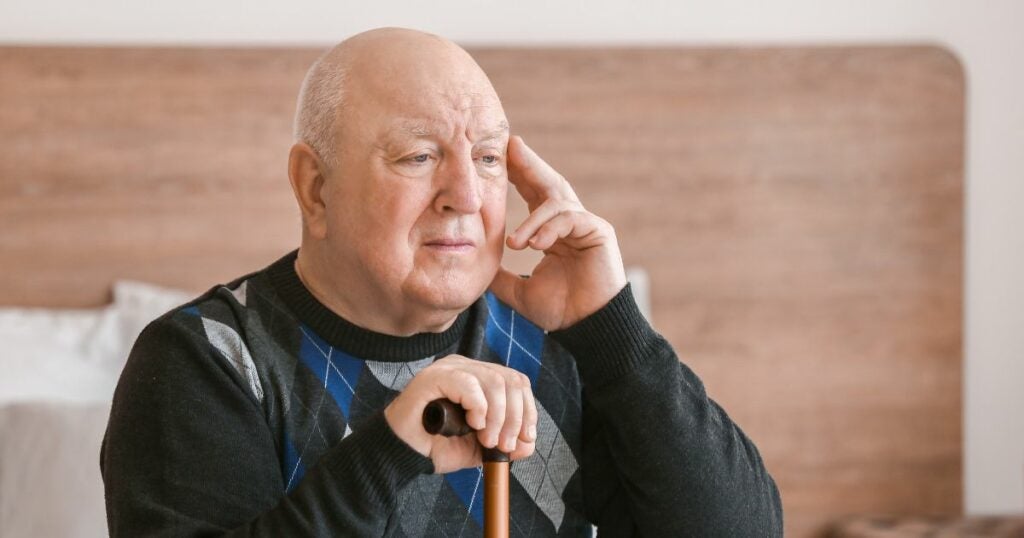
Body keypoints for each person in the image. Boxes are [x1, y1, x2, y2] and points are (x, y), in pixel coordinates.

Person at [101, 27, 783, 537]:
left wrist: (613, 327)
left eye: (487, 158)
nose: (464, 192)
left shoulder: (559, 346)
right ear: (316, 189)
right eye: (419, 155)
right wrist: (391, 449)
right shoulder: (206, 363)